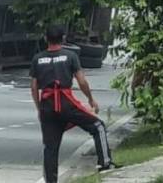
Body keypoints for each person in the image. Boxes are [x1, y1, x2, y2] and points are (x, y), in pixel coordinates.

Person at [30, 25, 118, 183]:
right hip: (66, 102)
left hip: (47, 105)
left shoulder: (38, 59)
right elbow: (81, 81)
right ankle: (105, 162)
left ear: (46, 39)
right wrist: (90, 98)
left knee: (50, 147)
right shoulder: (70, 56)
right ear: (63, 39)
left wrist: (39, 109)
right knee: (98, 126)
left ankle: (51, 180)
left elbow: (34, 87)